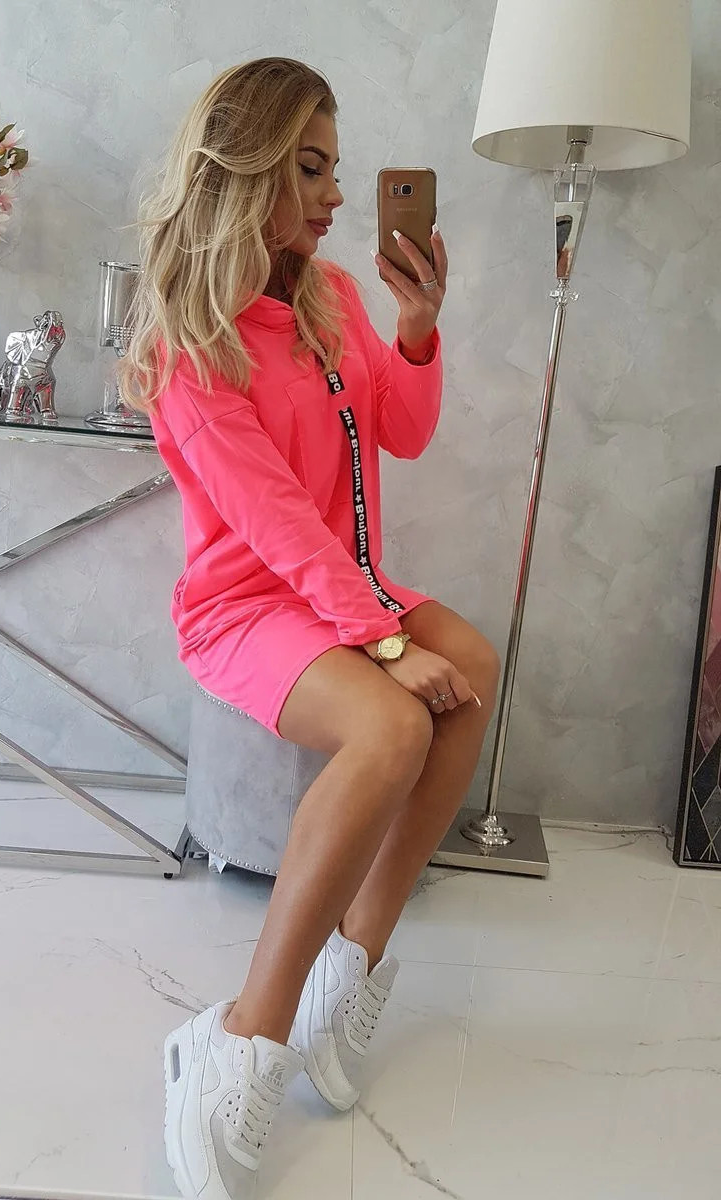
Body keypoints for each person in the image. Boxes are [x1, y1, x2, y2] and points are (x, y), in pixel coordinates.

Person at [121, 56, 500, 1200]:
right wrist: (383, 643)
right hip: (247, 607)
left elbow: (399, 430)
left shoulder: (329, 293)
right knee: (390, 727)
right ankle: (240, 1034)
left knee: (471, 666)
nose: (336, 195)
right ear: (248, 173)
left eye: (336, 167)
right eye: (311, 169)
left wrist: (417, 328)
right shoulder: (193, 344)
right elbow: (275, 526)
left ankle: (352, 970)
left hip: (343, 584)